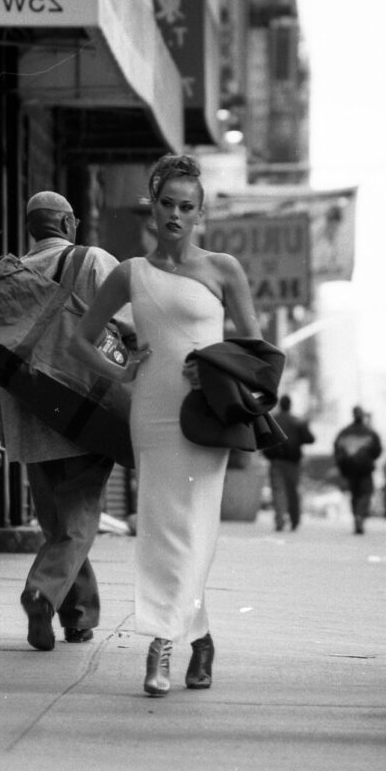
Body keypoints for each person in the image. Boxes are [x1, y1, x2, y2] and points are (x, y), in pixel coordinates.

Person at [69, 153, 264, 698]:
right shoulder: (130, 274)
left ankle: (164, 642)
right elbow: (79, 341)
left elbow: (257, 351)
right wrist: (121, 371)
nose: (176, 214)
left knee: (195, 529)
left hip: (206, 415)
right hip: (151, 413)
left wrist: (217, 366)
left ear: (200, 213)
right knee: (160, 530)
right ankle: (197, 639)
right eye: (167, 204)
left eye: (186, 206)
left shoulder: (223, 269)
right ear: (152, 208)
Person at [0, 191, 131, 651]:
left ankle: (78, 618)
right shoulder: (92, 261)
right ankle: (40, 592)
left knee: (60, 528)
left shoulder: (7, 280)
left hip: (30, 424)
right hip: (88, 417)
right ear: (68, 223)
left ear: (31, 229)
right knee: (77, 527)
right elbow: (133, 324)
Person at [262, 394, 315, 531]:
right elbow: (310, 439)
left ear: (280, 404)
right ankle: (294, 520)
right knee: (292, 490)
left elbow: (264, 437)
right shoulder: (297, 421)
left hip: (276, 461)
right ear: (290, 405)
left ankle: (280, 518)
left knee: (278, 490)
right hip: (292, 462)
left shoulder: (273, 420)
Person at [333, 406, 383, 535]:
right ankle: (360, 515)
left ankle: (357, 516)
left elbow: (337, 449)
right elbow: (377, 451)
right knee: (366, 493)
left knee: (355, 494)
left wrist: (343, 466)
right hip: (365, 468)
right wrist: (368, 458)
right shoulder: (370, 433)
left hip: (350, 469)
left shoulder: (344, 432)